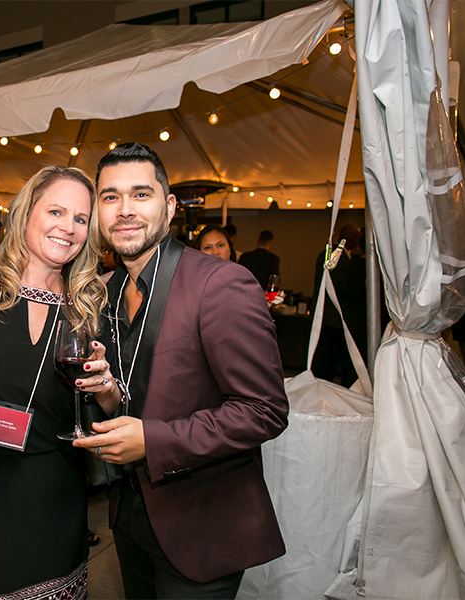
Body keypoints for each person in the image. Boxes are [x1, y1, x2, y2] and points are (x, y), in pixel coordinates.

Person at [73, 143, 289, 599]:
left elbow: (264, 411)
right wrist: (110, 394)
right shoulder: (108, 290)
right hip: (129, 514)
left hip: (201, 524)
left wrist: (152, 441)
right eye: (110, 197)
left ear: (169, 207)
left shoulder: (221, 283)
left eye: (141, 194)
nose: (125, 210)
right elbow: (140, 393)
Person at [0, 166, 120, 600]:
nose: (68, 227)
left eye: (81, 218)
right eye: (56, 210)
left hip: (55, 492)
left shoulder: (91, 308)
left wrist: (107, 389)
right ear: (26, 213)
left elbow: (112, 411)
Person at [311, 224, 363, 387]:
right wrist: (359, 290)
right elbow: (339, 286)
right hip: (333, 317)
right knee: (328, 362)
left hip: (325, 315)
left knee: (324, 360)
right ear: (354, 240)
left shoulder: (326, 252)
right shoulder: (337, 256)